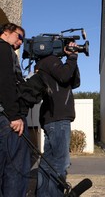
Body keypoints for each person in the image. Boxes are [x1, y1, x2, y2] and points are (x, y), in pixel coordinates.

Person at [35, 42, 80, 196]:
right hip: (58, 119)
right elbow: (64, 75)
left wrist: (72, 58)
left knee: (48, 164)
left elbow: (74, 82)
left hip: (53, 118)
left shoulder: (47, 63)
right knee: (60, 163)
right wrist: (72, 58)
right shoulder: (49, 60)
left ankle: (43, 194)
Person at [0, 23, 31, 196]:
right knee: (15, 169)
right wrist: (14, 115)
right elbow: (6, 82)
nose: (20, 42)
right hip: (7, 117)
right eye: (19, 36)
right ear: (6, 32)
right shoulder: (4, 49)